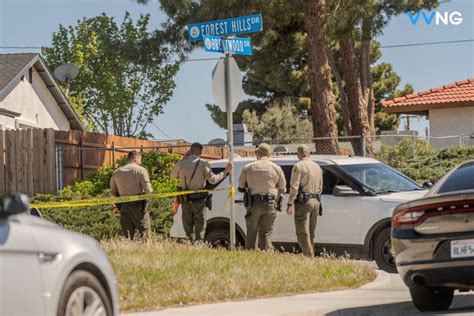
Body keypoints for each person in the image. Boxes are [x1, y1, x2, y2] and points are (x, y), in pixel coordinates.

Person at [171, 143, 233, 242]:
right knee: (200, 225)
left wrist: (182, 160)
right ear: (200, 152)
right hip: (198, 200)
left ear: (190, 151)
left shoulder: (181, 163)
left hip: (185, 200)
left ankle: (189, 243)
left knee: (187, 224)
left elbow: (173, 176)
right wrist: (225, 171)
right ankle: (199, 244)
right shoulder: (203, 163)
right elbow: (213, 180)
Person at [238, 143, 286, 250]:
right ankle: (266, 255)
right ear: (269, 154)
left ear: (257, 153)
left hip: (253, 204)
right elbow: (282, 188)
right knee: (266, 233)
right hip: (270, 204)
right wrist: (276, 197)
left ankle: (251, 255)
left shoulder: (248, 167)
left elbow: (241, 185)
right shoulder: (276, 168)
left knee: (251, 233)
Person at [286, 145, 323, 257]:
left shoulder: (298, 166)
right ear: (309, 154)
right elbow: (321, 186)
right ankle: (310, 252)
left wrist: (290, 203)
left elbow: (294, 186)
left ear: (298, 154)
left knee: (302, 232)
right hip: (316, 201)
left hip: (304, 202)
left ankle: (309, 256)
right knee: (311, 232)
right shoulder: (317, 166)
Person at [110, 150, 153, 240]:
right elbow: (148, 190)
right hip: (139, 207)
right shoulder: (141, 170)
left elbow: (113, 192)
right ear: (135, 158)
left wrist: (115, 207)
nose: (140, 162)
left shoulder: (116, 172)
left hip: (123, 206)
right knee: (145, 234)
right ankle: (147, 252)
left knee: (128, 236)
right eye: (140, 160)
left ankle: (128, 252)